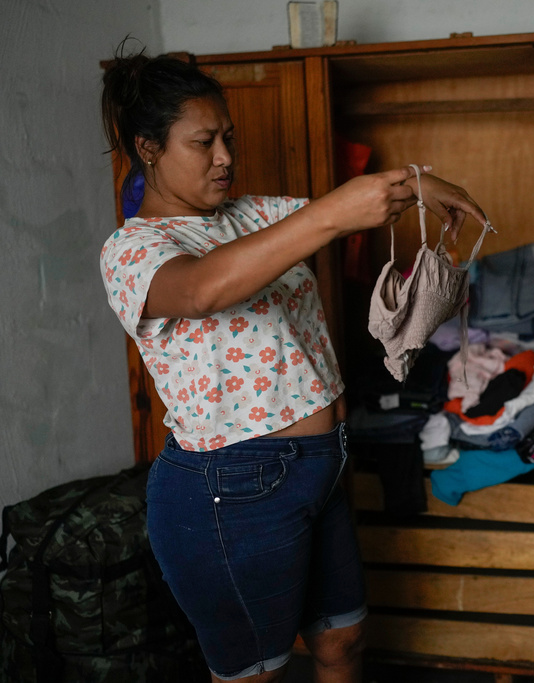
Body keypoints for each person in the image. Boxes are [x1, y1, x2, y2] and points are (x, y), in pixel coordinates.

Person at [99, 45, 489, 683]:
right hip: (231, 488)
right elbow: (202, 289)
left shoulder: (249, 215)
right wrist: (332, 214)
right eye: (203, 142)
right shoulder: (133, 249)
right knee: (259, 672)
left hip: (321, 467)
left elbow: (329, 216)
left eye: (228, 137)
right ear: (148, 148)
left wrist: (416, 187)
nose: (225, 157)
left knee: (343, 643)